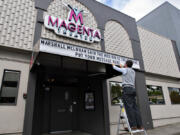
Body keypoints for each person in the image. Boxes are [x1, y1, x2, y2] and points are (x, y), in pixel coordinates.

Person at [112, 60, 143, 131]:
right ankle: (140, 126)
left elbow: (115, 68)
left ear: (126, 64)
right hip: (132, 89)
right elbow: (124, 70)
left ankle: (133, 126)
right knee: (135, 108)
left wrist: (113, 64)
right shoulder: (133, 71)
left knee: (129, 108)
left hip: (127, 89)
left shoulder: (125, 69)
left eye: (125, 63)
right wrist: (122, 67)